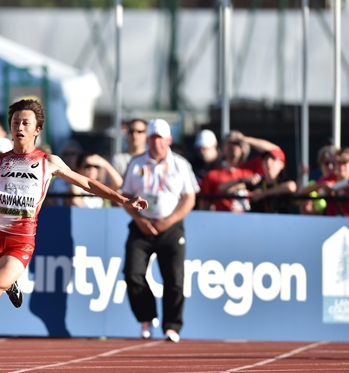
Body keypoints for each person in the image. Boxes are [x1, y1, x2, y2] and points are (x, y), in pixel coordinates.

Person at [0, 99, 146, 365]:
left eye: (25, 123)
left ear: (37, 129)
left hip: (21, 240)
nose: (19, 127)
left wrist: (122, 199)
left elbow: (86, 182)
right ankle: (10, 285)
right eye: (15, 122)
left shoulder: (48, 162)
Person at [121, 119, 199, 343]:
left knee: (174, 278)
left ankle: (172, 326)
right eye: (152, 137)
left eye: (160, 137)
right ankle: (146, 318)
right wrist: (139, 219)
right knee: (133, 274)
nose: (156, 141)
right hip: (141, 226)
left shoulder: (180, 164)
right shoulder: (136, 163)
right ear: (148, 139)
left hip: (171, 228)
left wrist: (170, 220)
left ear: (169, 139)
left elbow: (189, 197)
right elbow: (125, 196)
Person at [199, 131, 282, 212]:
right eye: (228, 143)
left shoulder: (252, 167)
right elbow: (204, 206)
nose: (232, 146)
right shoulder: (212, 175)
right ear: (223, 148)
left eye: (236, 143)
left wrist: (245, 139)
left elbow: (276, 151)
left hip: (250, 220)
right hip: (223, 222)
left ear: (244, 149)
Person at [218, 147, 297, 214]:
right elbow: (223, 188)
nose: (269, 163)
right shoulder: (258, 181)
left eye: (273, 159)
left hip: (282, 223)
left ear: (282, 164)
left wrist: (264, 193)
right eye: (266, 159)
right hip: (257, 224)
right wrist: (243, 180)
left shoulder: (283, 181)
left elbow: (291, 187)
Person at [299, 147, 349, 217]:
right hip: (332, 223)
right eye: (338, 162)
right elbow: (303, 192)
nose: (341, 166)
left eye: (345, 162)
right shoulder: (331, 179)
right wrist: (321, 185)